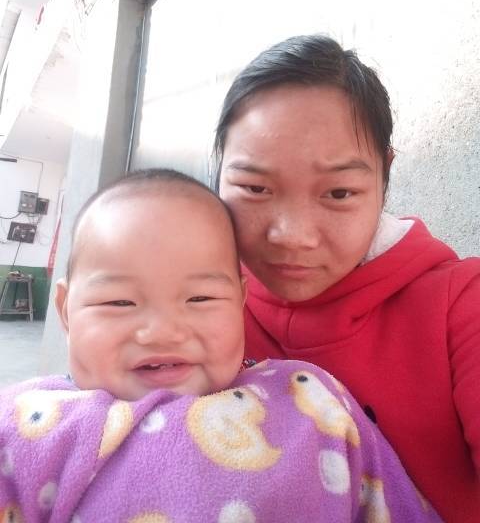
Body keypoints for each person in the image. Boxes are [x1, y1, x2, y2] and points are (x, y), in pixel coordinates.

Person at [0, 169, 441, 523]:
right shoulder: (25, 425)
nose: (163, 332)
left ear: (240, 303)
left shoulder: (309, 398)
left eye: (200, 299)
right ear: (65, 311)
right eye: (119, 302)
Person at [213, 34, 480, 522]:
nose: (293, 236)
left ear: (384, 173)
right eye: (254, 187)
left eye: (338, 193)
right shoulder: (191, 302)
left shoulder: (461, 305)